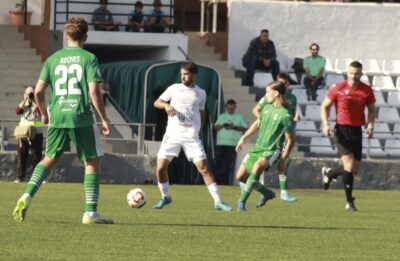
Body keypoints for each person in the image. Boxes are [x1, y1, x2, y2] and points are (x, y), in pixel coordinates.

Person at [13, 17, 113, 224]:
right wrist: (103, 118)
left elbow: (38, 91)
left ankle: (26, 196)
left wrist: (45, 114)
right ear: (86, 36)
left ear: (66, 36)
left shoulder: (53, 59)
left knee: (49, 158)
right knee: (92, 160)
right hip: (80, 115)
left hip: (58, 114)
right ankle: (90, 213)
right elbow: (94, 90)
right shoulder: (89, 58)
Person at [152, 62, 232, 211]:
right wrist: (166, 105)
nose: (183, 76)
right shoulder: (174, 88)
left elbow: (201, 111)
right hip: (173, 135)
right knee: (160, 168)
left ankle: (218, 201)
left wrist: (199, 130)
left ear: (194, 75)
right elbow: (157, 102)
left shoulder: (201, 93)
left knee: (204, 168)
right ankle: (165, 197)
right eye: (182, 74)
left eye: (186, 74)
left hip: (191, 136)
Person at [320, 61, 376, 211]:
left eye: (357, 73)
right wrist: (326, 124)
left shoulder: (367, 90)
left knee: (354, 169)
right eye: (351, 73)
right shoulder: (338, 88)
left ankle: (330, 173)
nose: (354, 76)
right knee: (349, 165)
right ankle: (349, 202)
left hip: (357, 130)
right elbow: (325, 106)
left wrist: (370, 125)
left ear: (361, 74)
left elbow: (372, 110)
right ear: (347, 72)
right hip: (341, 130)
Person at [236, 81, 295, 211]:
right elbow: (257, 123)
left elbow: (290, 141)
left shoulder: (286, 115)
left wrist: (283, 160)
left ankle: (241, 203)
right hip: (258, 148)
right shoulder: (266, 108)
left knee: (257, 167)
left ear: (276, 93)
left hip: (272, 150)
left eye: (268, 92)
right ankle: (267, 193)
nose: (266, 95)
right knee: (240, 177)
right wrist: (243, 138)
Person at [252, 73, 300, 202]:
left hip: (285, 132)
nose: (283, 85)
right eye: (280, 82)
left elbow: (291, 112)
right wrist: (262, 120)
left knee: (285, 160)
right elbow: (256, 109)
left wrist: (296, 116)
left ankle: (281, 192)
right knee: (265, 160)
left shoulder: (292, 98)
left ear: (288, 84)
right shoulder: (268, 97)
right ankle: (259, 186)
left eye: (285, 83)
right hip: (273, 133)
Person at [213, 99, 247, 185]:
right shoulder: (222, 116)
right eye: (229, 108)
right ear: (226, 107)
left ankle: (227, 182)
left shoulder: (239, 116)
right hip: (221, 143)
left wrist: (234, 127)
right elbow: (215, 127)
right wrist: (223, 125)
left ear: (235, 107)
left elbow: (244, 128)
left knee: (229, 165)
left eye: (232, 107)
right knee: (218, 163)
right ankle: (216, 181)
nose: (230, 109)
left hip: (233, 145)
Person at [14, 86, 45, 183]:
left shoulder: (39, 103)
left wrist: (35, 102)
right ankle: (20, 177)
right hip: (24, 133)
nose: (30, 95)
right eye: (28, 93)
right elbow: (18, 111)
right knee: (22, 156)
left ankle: (37, 178)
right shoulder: (23, 104)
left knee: (37, 157)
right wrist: (25, 100)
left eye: (31, 93)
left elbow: (42, 116)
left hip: (36, 133)